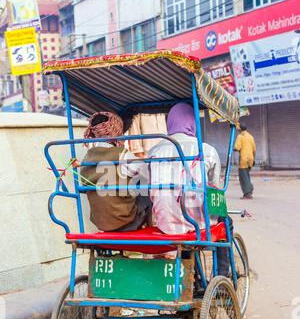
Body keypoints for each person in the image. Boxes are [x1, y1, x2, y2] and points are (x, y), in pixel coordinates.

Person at [124, 102, 232, 277]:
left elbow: (148, 184)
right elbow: (215, 191)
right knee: (226, 221)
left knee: (180, 212)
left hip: (166, 223)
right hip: (197, 222)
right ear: (193, 122)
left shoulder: (154, 151)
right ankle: (223, 276)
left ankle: (195, 277)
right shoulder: (207, 150)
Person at [75, 111, 152, 232]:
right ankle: (151, 229)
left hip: (100, 223)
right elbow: (146, 172)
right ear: (117, 130)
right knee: (147, 187)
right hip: (126, 222)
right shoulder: (122, 155)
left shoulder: (86, 159)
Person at [234, 123, 256, 199]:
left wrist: (232, 148)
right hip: (250, 158)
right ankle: (250, 189)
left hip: (243, 159)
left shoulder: (240, 136)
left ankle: (247, 193)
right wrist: (253, 159)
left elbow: (237, 147)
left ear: (240, 129)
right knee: (247, 175)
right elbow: (254, 149)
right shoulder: (251, 136)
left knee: (243, 177)